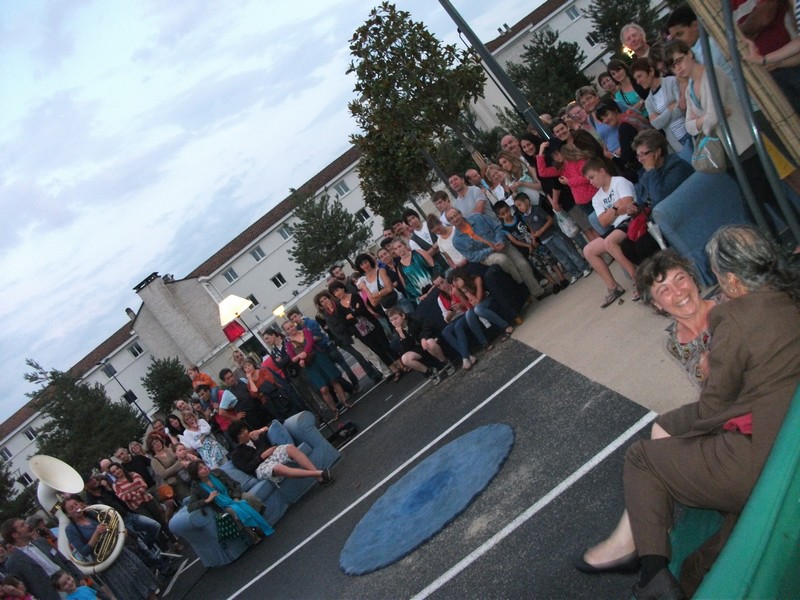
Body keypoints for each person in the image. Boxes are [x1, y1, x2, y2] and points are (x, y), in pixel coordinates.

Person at [577, 225, 800, 598]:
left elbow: (715, 404)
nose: (677, 292)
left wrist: (686, 421)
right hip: (770, 427)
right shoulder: (782, 295)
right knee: (705, 559)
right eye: (664, 290)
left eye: (682, 279)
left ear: (725, 279)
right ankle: (662, 565)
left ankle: (649, 564)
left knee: (644, 456)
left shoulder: (731, 316)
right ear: (655, 304)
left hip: (756, 442)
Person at [62, 498, 158, 600]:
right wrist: (96, 533)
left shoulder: (91, 514)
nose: (76, 507)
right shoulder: (70, 529)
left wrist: (120, 533)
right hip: (108, 564)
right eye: (71, 508)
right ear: (68, 514)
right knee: (130, 590)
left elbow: (109, 529)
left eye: (76, 504)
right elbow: (84, 551)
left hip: (121, 553)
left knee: (143, 580)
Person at [447, 207, 545, 299]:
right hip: (486, 255)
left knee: (522, 264)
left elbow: (497, 227)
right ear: (450, 223)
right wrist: (491, 249)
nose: (455, 219)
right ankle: (521, 282)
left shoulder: (477, 217)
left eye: (456, 215)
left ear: (460, 214)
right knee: (502, 259)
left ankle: (538, 292)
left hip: (501, 244)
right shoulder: (457, 240)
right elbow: (472, 256)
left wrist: (500, 241)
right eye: (451, 219)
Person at [581, 158, 641, 306]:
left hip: (632, 219)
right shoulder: (597, 197)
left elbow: (628, 204)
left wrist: (612, 211)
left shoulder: (619, 182)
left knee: (609, 242)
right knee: (588, 250)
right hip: (616, 226)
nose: (591, 182)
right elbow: (602, 221)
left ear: (602, 171)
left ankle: (638, 279)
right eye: (589, 179)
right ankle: (613, 287)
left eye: (592, 177)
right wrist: (615, 208)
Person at [329, 280, 404, 381]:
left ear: (342, 288)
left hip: (373, 325)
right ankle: (395, 370)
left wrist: (352, 315)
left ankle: (401, 365)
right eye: (335, 293)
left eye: (338, 290)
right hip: (360, 332)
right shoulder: (338, 306)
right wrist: (355, 312)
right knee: (378, 351)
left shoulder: (354, 296)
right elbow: (344, 321)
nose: (337, 293)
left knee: (385, 345)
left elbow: (363, 310)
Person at [186, 461, 274, 545]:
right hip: (222, 505)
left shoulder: (217, 472)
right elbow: (190, 507)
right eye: (201, 468)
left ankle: (258, 525)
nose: (205, 468)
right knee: (234, 510)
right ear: (196, 475)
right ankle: (253, 534)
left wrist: (236, 497)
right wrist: (207, 500)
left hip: (232, 495)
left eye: (204, 465)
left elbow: (235, 484)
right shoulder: (196, 487)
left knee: (249, 497)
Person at [2, 517, 88, 600]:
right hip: (54, 596)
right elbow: (26, 589)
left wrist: (80, 576)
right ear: (15, 534)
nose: (27, 526)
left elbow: (64, 561)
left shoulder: (41, 542)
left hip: (73, 583)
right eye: (22, 525)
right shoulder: (13, 563)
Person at [513, 193, 591, 284]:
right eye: (517, 206)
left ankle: (584, 267)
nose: (519, 208)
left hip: (553, 234)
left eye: (520, 205)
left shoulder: (537, 209)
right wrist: (533, 238)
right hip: (545, 240)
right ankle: (575, 272)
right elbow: (531, 228)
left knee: (569, 251)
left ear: (526, 201)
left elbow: (550, 220)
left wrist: (541, 230)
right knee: (561, 258)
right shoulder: (524, 217)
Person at [282, 319, 350, 418]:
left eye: (291, 326)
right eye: (288, 329)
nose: (291, 329)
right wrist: (301, 356)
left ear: (294, 325)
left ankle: (345, 402)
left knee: (333, 380)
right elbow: (292, 359)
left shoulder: (306, 331)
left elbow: (310, 344)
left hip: (319, 357)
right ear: (286, 332)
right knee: (323, 389)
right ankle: (334, 410)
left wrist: (303, 354)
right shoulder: (288, 344)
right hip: (309, 365)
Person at [227, 421, 333, 485]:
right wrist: (262, 456)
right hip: (260, 467)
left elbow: (271, 423)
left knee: (290, 448)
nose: (245, 432)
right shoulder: (237, 454)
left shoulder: (255, 435)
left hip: (273, 453)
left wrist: (261, 430)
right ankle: (318, 473)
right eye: (241, 433)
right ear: (236, 438)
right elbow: (248, 468)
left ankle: (320, 478)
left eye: (244, 429)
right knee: (277, 468)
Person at [631, 58, 692, 162]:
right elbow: (656, 124)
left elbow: (682, 108)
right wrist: (669, 109)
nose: (638, 81)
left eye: (639, 76)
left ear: (651, 71)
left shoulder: (671, 81)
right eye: (636, 79)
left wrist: (661, 116)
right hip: (677, 142)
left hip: (691, 131)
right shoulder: (649, 101)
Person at [386, 307, 453, 385]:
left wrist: (423, 338)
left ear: (403, 316)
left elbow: (427, 326)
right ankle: (430, 371)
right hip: (417, 347)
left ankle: (445, 362)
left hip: (429, 338)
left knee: (429, 343)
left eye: (396, 318)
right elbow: (406, 349)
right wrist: (402, 335)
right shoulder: (397, 331)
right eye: (391, 320)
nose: (394, 322)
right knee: (405, 359)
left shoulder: (413, 318)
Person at [431, 272, 483, 370]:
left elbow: (469, 304)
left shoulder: (456, 287)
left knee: (458, 326)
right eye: (438, 285)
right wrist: (451, 312)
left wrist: (461, 306)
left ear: (446, 279)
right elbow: (446, 320)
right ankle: (468, 356)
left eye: (442, 282)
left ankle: (464, 358)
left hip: (466, 313)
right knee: (445, 331)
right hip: (455, 318)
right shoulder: (440, 298)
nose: (442, 286)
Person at [449, 267, 515, 344]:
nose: (455, 284)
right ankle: (484, 342)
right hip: (477, 306)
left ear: (462, 276)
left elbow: (477, 301)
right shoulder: (459, 290)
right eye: (453, 283)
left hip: (487, 300)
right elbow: (469, 306)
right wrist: (461, 294)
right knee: (468, 314)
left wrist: (465, 289)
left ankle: (506, 326)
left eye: (456, 280)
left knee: (478, 309)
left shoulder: (476, 279)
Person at [147, 433, 191, 501]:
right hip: (176, 484)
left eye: (157, 441)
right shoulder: (154, 461)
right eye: (154, 444)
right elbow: (163, 474)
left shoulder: (169, 450)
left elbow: (180, 456)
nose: (157, 444)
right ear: (152, 447)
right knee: (189, 499)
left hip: (186, 475)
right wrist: (178, 464)